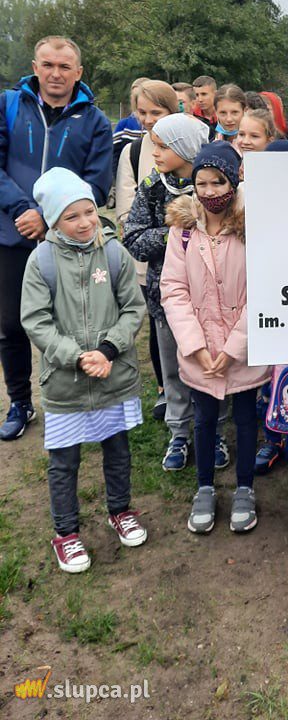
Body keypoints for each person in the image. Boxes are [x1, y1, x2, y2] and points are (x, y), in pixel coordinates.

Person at [20, 168, 147, 572]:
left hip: (112, 374)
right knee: (64, 461)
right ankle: (67, 533)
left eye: (89, 211)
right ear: (54, 220)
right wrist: (76, 356)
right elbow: (36, 320)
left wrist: (108, 350)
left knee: (117, 449)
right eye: (71, 216)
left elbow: (133, 308)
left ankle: (121, 510)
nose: (85, 223)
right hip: (66, 381)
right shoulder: (41, 262)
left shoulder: (113, 253)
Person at [0, 36, 113, 441]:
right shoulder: (9, 104)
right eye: (48, 65)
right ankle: (20, 401)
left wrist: (51, 221)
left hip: (67, 242)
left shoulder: (96, 120)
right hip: (12, 233)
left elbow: (98, 185)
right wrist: (23, 211)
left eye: (65, 67)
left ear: (78, 73)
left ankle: (78, 405)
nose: (55, 73)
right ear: (35, 66)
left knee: (73, 327)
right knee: (11, 325)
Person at [161, 142, 271, 534]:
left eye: (218, 182)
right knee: (204, 419)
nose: (209, 191)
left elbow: (264, 289)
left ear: (234, 178)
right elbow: (173, 288)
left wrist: (233, 347)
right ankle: (204, 487)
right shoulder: (184, 230)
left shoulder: (253, 225)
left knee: (245, 419)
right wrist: (194, 345)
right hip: (200, 349)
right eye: (201, 183)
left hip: (241, 348)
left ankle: (245, 488)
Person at [123, 114, 210, 470]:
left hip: (210, 300)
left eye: (162, 146)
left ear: (185, 148)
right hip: (166, 299)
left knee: (208, 368)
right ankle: (180, 432)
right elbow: (133, 238)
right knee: (174, 367)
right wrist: (173, 233)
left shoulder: (212, 185)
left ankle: (213, 431)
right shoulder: (152, 187)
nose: (154, 152)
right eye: (153, 145)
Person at [115, 80, 178, 420]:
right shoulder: (133, 152)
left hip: (189, 260)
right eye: (143, 113)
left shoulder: (187, 144)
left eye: (157, 112)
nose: (149, 119)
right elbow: (126, 209)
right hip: (149, 258)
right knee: (158, 325)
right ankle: (164, 389)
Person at [214, 84, 246, 152]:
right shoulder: (209, 144)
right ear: (216, 112)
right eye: (223, 113)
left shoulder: (254, 146)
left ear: (244, 111)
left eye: (234, 112)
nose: (229, 119)